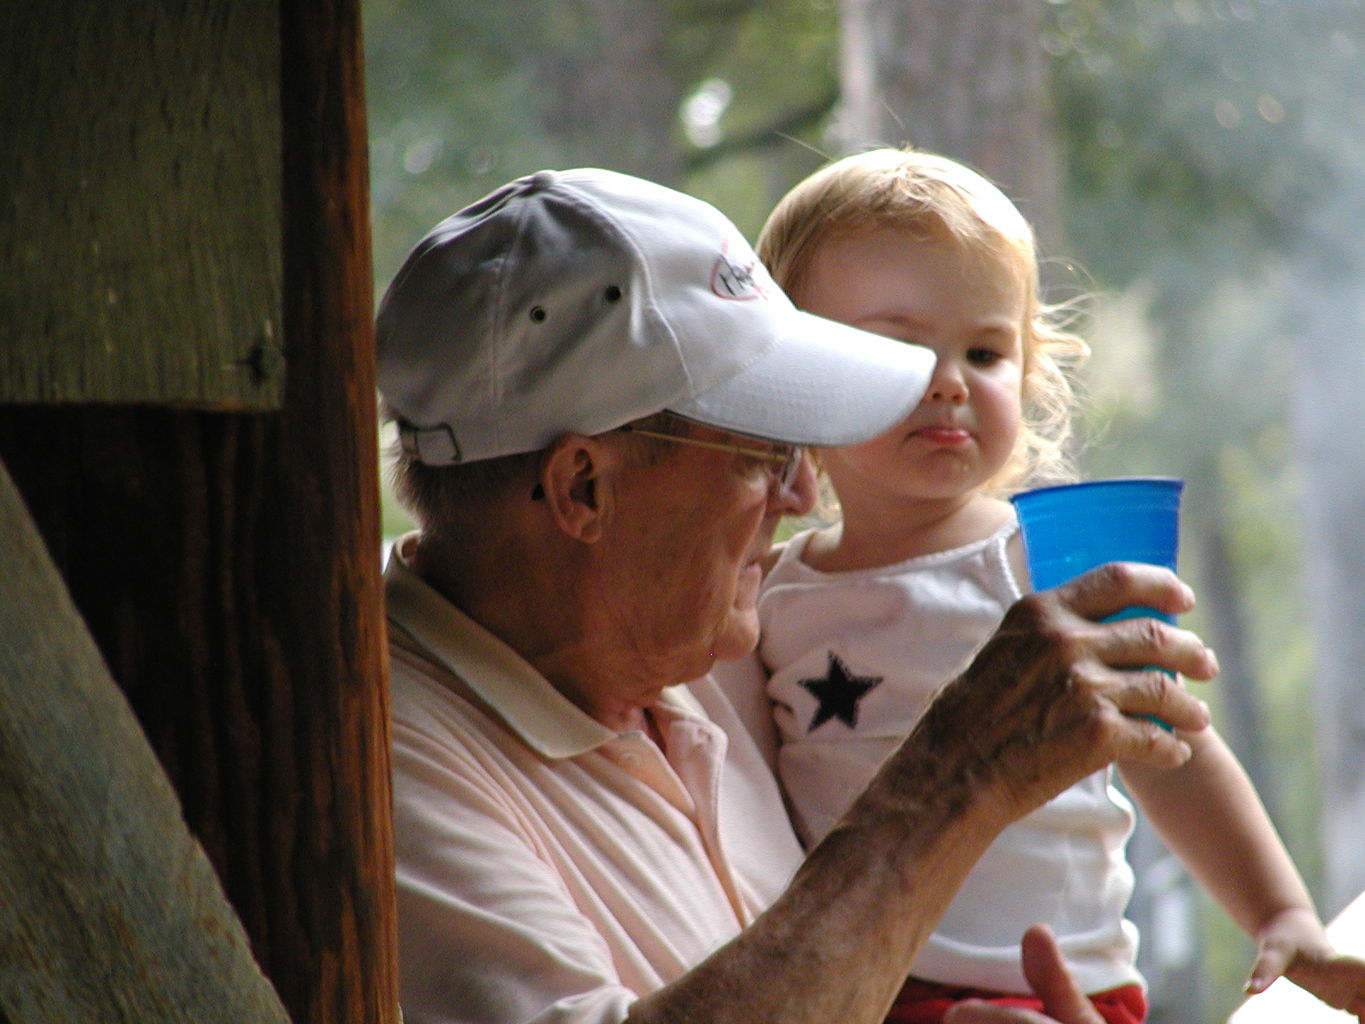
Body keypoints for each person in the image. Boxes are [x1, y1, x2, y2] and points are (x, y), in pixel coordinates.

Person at [375, 166, 1219, 1024]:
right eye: (761, 456)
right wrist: (953, 784)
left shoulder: (684, 642)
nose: (798, 498)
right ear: (583, 489)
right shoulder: (383, 766)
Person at [741, 146, 1365, 1023]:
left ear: (1030, 373)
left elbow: (1171, 748)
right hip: (857, 991)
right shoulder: (765, 596)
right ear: (798, 373)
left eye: (985, 351)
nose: (951, 383)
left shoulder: (1052, 568)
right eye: (898, 349)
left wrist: (1282, 913)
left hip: (1069, 988)